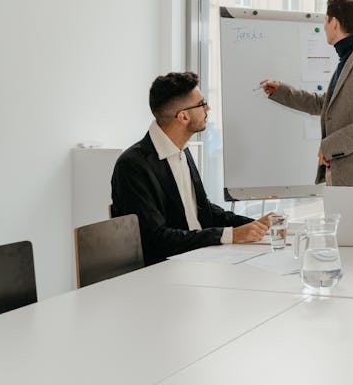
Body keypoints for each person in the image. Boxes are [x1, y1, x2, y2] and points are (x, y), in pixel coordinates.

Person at [111, 72, 272, 265]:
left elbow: (203, 210)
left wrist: (254, 225)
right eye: (202, 104)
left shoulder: (181, 150)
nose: (208, 108)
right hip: (165, 271)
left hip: (199, 259)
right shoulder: (132, 166)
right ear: (183, 116)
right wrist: (229, 235)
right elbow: (155, 239)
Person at [260, 0, 353, 186]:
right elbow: (325, 105)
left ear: (335, 23)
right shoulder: (347, 61)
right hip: (345, 180)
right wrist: (282, 91)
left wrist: (330, 145)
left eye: (326, 21)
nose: (324, 27)